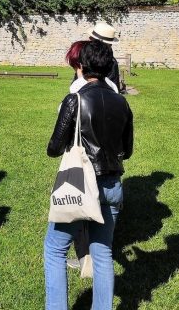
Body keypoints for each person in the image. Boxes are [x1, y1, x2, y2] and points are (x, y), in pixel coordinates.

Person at [44, 40, 134, 310]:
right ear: (109, 67)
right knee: (103, 252)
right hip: (112, 184)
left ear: (81, 67)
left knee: (55, 249)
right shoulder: (122, 102)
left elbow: (54, 148)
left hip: (81, 185)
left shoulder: (76, 99)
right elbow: (127, 150)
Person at [88, 22, 121, 89]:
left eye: (92, 38)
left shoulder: (111, 62)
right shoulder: (85, 56)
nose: (89, 39)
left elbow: (112, 87)